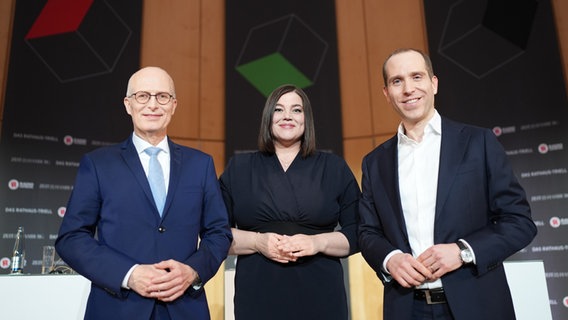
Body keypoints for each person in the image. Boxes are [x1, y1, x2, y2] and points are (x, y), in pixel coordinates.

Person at [358, 48, 537, 320]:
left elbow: (519, 222)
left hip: (477, 304)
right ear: (386, 94)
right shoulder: (374, 162)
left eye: (417, 77)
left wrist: (464, 251)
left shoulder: (479, 143)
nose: (408, 89)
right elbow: (368, 232)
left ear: (434, 83)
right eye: (397, 81)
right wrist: (390, 259)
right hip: (407, 308)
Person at [55, 66, 232, 320]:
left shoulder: (200, 165)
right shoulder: (98, 164)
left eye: (162, 96)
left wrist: (192, 271)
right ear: (128, 104)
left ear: (173, 105)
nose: (153, 104)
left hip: (184, 309)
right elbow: (71, 237)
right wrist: (129, 274)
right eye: (143, 96)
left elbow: (219, 233)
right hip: (117, 307)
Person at [219, 84, 360, 320]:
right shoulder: (239, 169)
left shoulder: (334, 168)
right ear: (268, 118)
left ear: (307, 119)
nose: (287, 116)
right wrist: (257, 242)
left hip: (321, 295)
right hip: (257, 294)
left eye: (296, 110)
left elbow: (358, 232)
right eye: (278, 110)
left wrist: (317, 243)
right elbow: (216, 233)